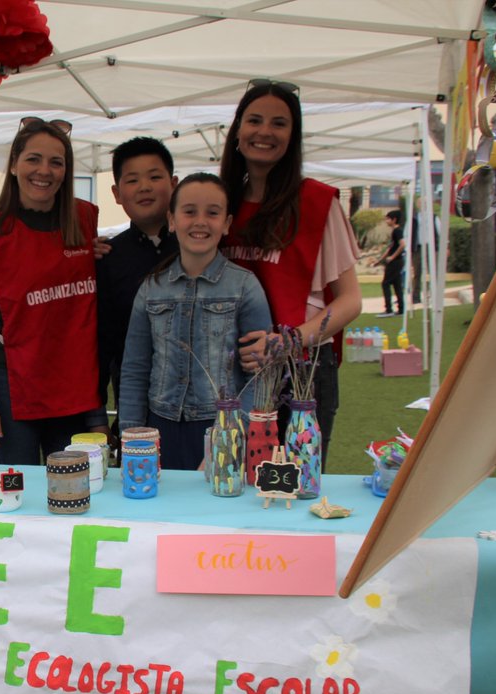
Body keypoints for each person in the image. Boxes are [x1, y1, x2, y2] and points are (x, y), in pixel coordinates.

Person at [219, 79, 362, 468]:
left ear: (292, 136)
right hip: (236, 369)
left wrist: (287, 343)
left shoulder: (316, 202)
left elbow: (350, 301)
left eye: (279, 123)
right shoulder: (220, 203)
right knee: (236, 483)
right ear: (237, 130)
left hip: (302, 371)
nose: (264, 131)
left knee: (298, 485)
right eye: (255, 120)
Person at [0, 116, 106, 466]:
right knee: (18, 489)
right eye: (33, 159)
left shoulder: (84, 222)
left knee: (74, 486)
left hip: (72, 386)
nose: (44, 170)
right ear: (13, 164)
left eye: (56, 162)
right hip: (12, 385)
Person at [118, 174, 271, 469]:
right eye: (189, 211)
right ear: (172, 220)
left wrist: (230, 438)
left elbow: (260, 377)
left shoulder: (245, 287)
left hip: (221, 428)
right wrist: (132, 438)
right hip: (159, 430)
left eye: (212, 213)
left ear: (226, 224)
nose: (200, 221)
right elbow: (134, 370)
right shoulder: (151, 288)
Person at [95, 137, 180, 439]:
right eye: (132, 180)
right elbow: (101, 345)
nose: (144, 186)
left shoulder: (199, 249)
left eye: (155, 177)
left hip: (198, 411)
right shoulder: (107, 258)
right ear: (117, 194)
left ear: (173, 184)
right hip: (135, 409)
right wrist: (97, 417)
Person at [377, 210, 406, 317]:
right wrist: (380, 260)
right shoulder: (395, 231)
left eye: (388, 219)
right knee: (397, 284)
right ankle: (401, 309)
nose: (386, 221)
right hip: (397, 261)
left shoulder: (397, 231)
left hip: (395, 262)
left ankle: (388, 309)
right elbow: (390, 247)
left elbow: (402, 245)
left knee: (385, 283)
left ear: (394, 219)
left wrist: (392, 258)